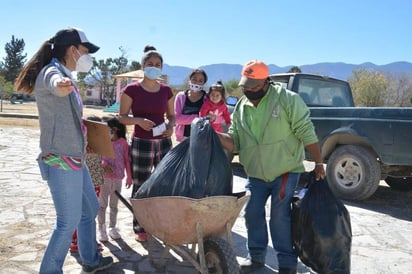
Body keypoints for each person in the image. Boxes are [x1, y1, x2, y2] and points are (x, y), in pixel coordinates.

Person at [14, 27, 113, 273]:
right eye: (86, 50)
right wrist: (60, 84)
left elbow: (69, 117)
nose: (88, 56)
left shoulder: (65, 73)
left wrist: (84, 140)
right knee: (67, 222)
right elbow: (54, 84)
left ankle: (90, 260)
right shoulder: (53, 72)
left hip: (74, 158)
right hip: (60, 159)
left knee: (89, 209)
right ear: (72, 50)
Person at [216, 60, 325, 274]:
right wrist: (214, 135)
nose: (249, 91)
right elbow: (235, 141)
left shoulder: (287, 100)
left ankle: (286, 264)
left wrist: (319, 162)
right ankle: (256, 257)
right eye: (246, 87)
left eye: (254, 87)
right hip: (256, 173)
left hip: (285, 170)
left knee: (279, 216)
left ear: (267, 82)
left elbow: (307, 132)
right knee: (252, 213)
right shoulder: (241, 106)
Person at [118, 45, 175, 242]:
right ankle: (140, 226)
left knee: (164, 184)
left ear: (162, 67)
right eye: (150, 64)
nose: (154, 67)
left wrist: (171, 126)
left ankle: (160, 224)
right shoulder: (131, 90)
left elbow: (172, 116)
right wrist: (138, 121)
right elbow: (122, 117)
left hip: (164, 143)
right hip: (141, 142)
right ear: (143, 66)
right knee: (141, 184)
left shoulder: (167, 91)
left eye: (158, 64)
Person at [70, 115, 105, 253]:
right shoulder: (80, 144)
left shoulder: (100, 143)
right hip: (83, 181)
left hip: (96, 181)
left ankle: (88, 239)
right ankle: (75, 239)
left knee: (92, 211)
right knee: (80, 211)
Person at [98, 117, 133, 242]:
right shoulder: (103, 142)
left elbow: (127, 160)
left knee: (114, 205)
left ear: (115, 129)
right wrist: (104, 165)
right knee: (102, 204)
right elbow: (99, 158)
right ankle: (101, 228)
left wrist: (129, 176)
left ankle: (112, 227)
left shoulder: (123, 143)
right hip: (105, 178)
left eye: (109, 130)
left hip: (118, 178)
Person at [174, 68, 208, 142]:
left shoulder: (207, 98)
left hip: (201, 139)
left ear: (204, 83)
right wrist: (199, 118)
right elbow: (177, 118)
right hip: (183, 139)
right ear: (189, 80)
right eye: (194, 79)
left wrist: (186, 118)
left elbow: (210, 118)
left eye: (200, 81)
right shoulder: (180, 96)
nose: (196, 83)